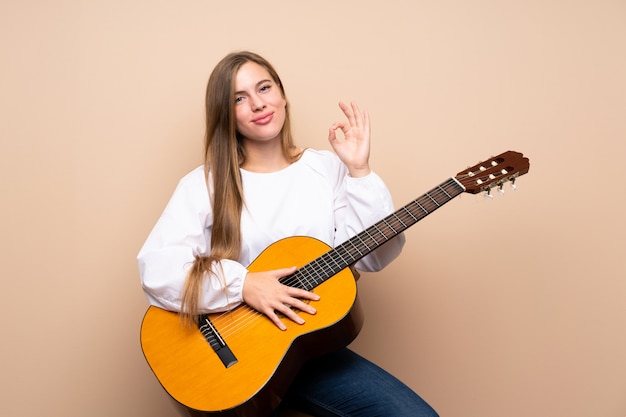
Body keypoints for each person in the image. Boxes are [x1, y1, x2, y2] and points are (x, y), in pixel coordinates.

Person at [137, 50, 438, 417]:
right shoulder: (205, 184)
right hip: (236, 364)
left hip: (309, 350)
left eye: (264, 88)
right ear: (225, 114)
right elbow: (157, 268)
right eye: (239, 98)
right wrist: (244, 285)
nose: (258, 104)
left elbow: (373, 256)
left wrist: (359, 171)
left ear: (282, 94)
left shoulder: (326, 169)